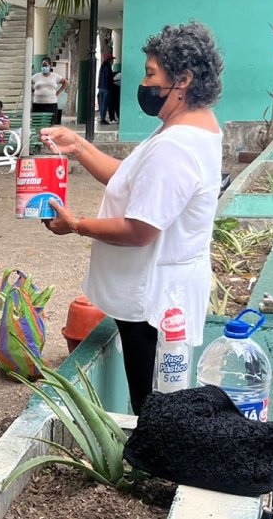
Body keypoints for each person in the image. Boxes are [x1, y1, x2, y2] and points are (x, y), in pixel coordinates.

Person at [39, 22, 224, 414]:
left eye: (151, 73)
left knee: (151, 404)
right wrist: (81, 148)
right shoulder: (194, 128)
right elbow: (137, 182)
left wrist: (75, 225)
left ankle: (150, 470)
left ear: (184, 80)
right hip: (165, 290)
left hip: (153, 301)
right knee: (156, 398)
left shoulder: (176, 145)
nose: (143, 82)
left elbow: (140, 229)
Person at [30, 56, 68, 125]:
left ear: (50, 66)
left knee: (51, 124)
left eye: (46, 65)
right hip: (38, 104)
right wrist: (32, 91)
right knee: (37, 124)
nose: (44, 67)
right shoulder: (36, 76)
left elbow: (65, 82)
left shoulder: (55, 76)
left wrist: (58, 92)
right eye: (43, 65)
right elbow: (28, 83)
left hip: (51, 104)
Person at [97, 54, 115, 125]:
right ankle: (103, 119)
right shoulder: (108, 68)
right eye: (112, 59)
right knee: (104, 104)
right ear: (109, 60)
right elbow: (109, 79)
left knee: (102, 104)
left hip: (101, 87)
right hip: (106, 88)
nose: (113, 61)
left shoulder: (102, 67)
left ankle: (102, 117)